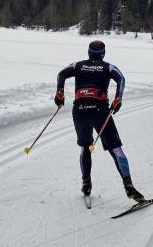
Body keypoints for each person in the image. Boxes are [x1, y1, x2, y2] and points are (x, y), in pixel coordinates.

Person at [55, 40, 144, 202]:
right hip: (100, 111)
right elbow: (121, 79)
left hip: (80, 110)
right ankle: (129, 186)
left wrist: (60, 93)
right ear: (103, 53)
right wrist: (118, 99)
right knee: (116, 149)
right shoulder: (108, 67)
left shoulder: (78, 65)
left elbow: (61, 74)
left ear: (88, 52)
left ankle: (86, 182)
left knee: (85, 147)